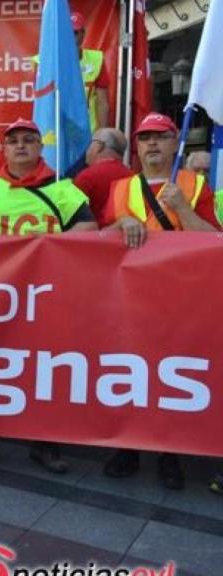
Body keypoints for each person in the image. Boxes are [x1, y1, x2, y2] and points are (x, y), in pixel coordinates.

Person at [0, 118, 97, 474]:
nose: (21, 146)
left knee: (43, 371)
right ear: (4, 149)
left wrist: (34, 251)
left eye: (29, 140)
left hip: (47, 297)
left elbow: (88, 230)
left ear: (40, 147)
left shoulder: (63, 188)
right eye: (14, 140)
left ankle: (44, 444)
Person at [101, 114, 219, 490]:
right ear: (135, 146)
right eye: (145, 137)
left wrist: (183, 209)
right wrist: (120, 224)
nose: (152, 144)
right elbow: (98, 239)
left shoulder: (196, 185)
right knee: (129, 375)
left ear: (174, 143)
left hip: (178, 301)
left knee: (170, 378)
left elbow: (214, 241)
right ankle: (128, 447)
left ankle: (169, 453)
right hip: (130, 300)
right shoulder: (119, 188)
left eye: (160, 137)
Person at [73, 128, 132, 227]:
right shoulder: (134, 177)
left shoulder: (86, 177)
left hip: (93, 240)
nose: (87, 149)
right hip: (128, 240)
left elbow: (72, 217)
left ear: (99, 147)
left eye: (90, 143)